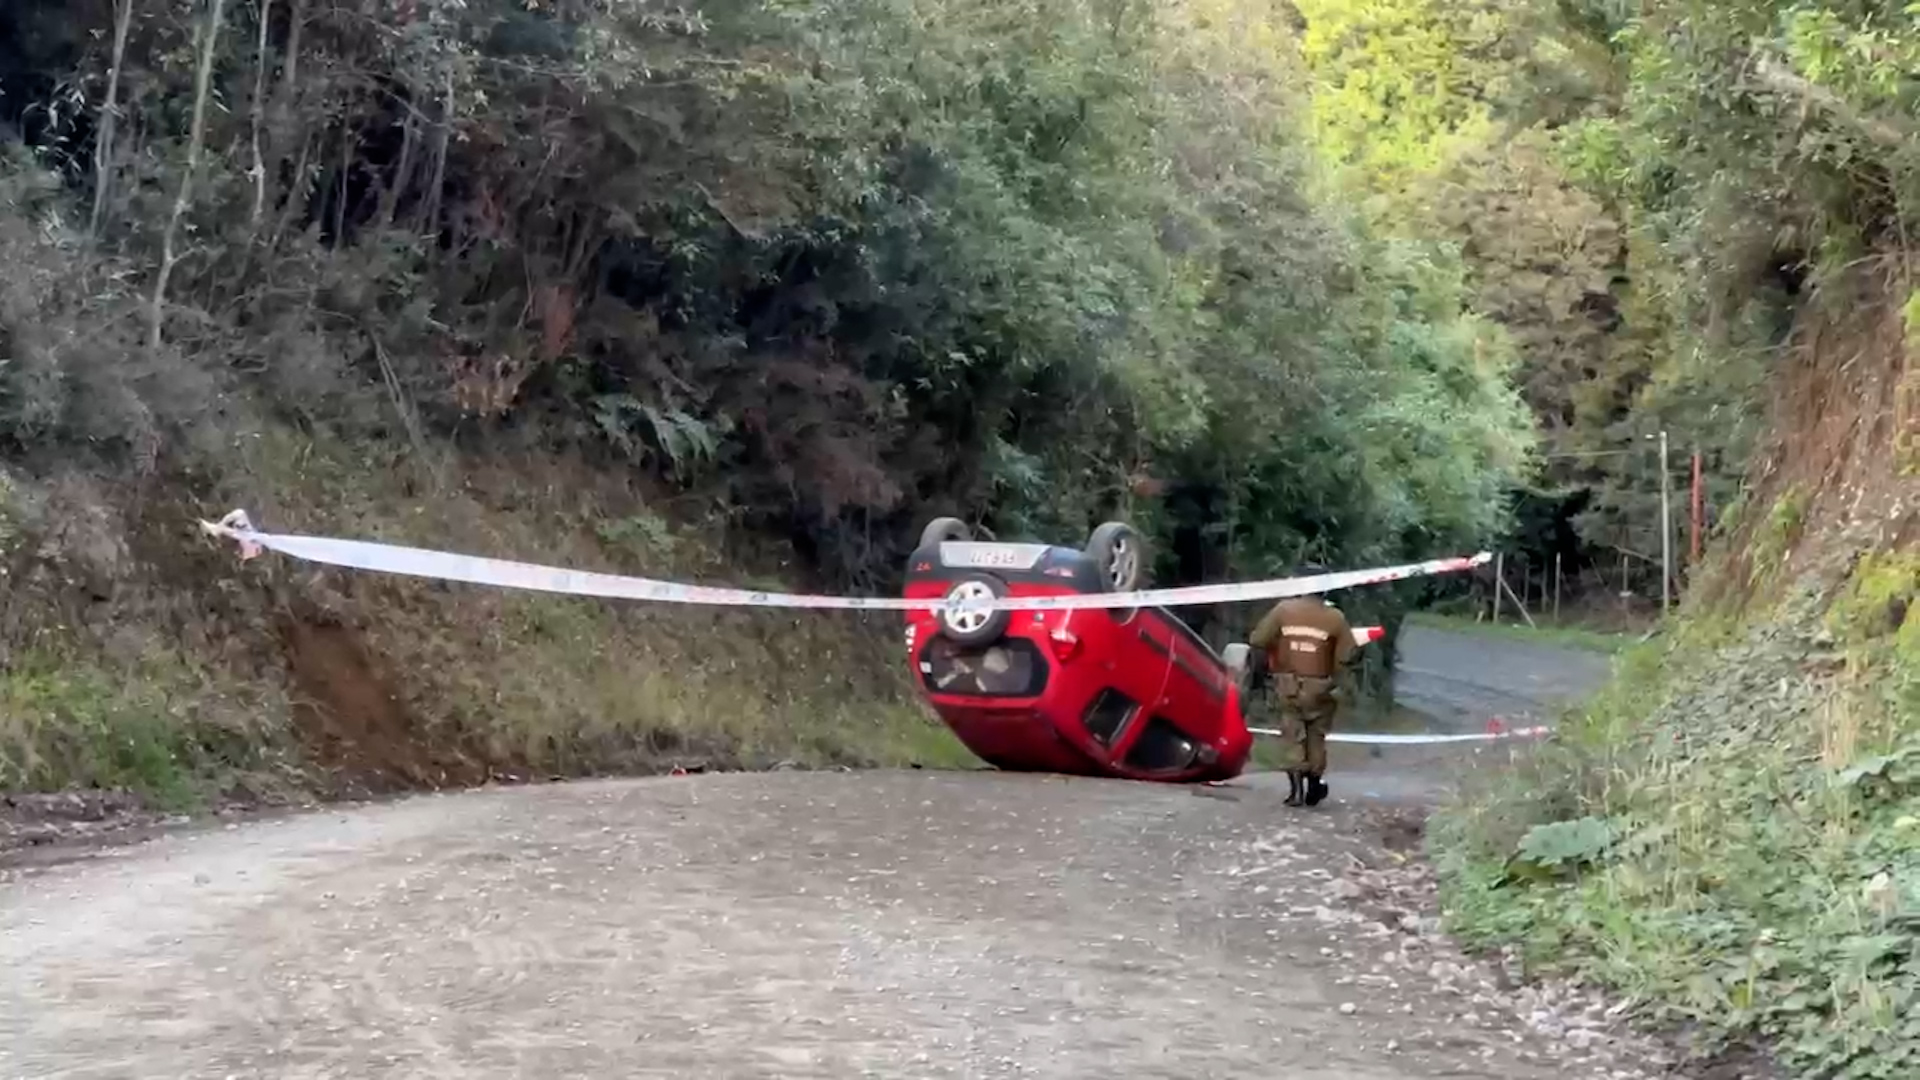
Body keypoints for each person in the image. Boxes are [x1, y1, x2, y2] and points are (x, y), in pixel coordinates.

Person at [1247, 590, 1356, 807]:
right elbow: (1347, 654)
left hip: (1288, 686)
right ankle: (1314, 787)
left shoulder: (1283, 610)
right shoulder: (1335, 617)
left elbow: (1258, 639)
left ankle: (1295, 792)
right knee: (1317, 735)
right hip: (1321, 687)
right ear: (1324, 589)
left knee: (1292, 734)